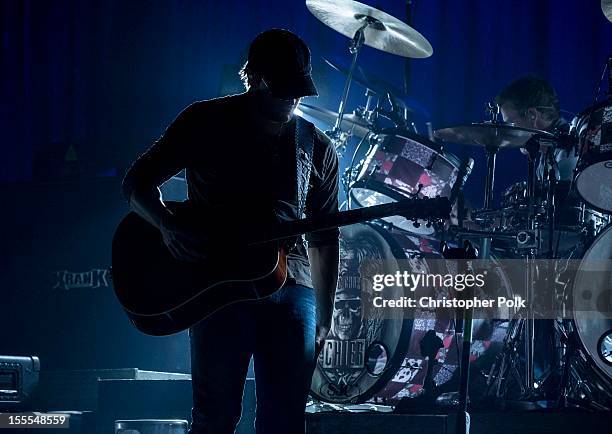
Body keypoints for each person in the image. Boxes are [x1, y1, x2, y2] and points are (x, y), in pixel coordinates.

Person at [121, 29, 340, 434]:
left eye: (298, 89)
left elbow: (326, 239)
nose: (292, 98)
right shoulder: (205, 121)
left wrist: (325, 313)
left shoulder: (316, 146)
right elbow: (137, 183)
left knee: (285, 420)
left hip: (294, 289)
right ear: (254, 77)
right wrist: (167, 225)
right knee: (215, 416)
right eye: (282, 88)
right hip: (219, 288)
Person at [495, 75, 576, 181]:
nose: (509, 130)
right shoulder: (546, 153)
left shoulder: (568, 153)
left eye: (510, 123)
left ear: (532, 115)